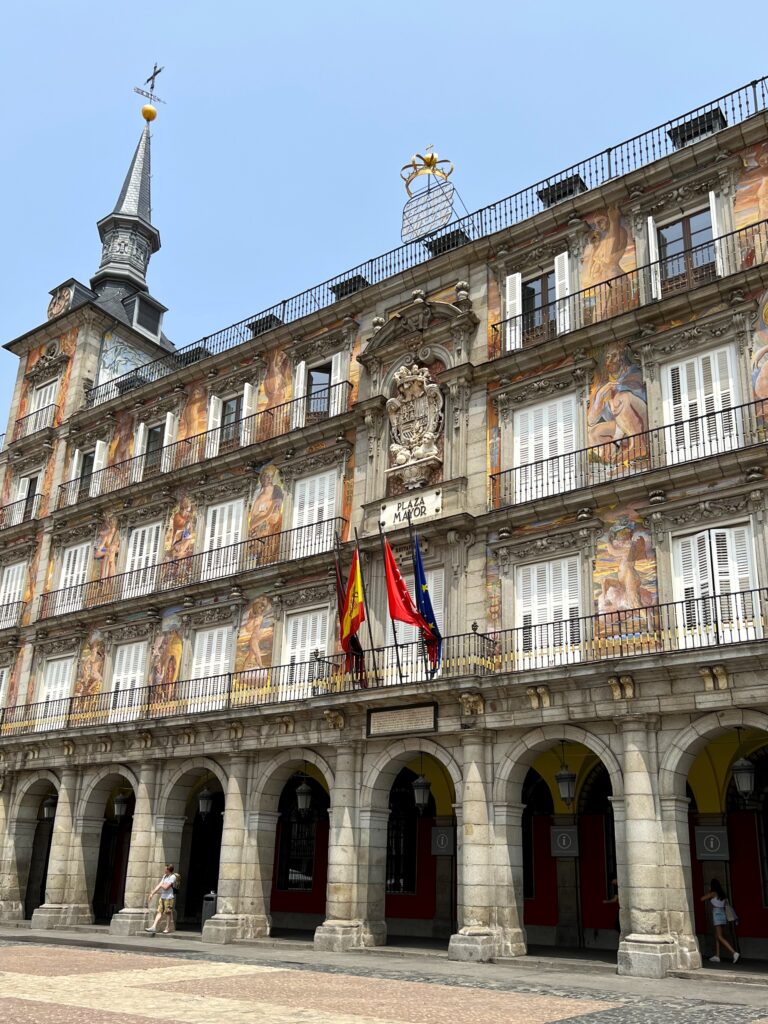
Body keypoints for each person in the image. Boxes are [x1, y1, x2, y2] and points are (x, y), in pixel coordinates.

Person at [701, 878, 739, 963]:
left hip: (717, 914)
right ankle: (717, 956)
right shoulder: (723, 894)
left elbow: (702, 899)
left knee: (719, 936)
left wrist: (709, 892)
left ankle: (734, 953)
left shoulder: (713, 893)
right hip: (723, 914)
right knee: (717, 935)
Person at [146, 863, 178, 934]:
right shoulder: (164, 876)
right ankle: (154, 926)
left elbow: (166, 887)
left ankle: (167, 928)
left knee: (168, 913)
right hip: (162, 897)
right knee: (159, 911)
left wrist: (161, 885)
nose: (164, 869)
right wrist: (152, 893)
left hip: (169, 898)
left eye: (165, 868)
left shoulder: (173, 877)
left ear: (168, 870)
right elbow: (159, 885)